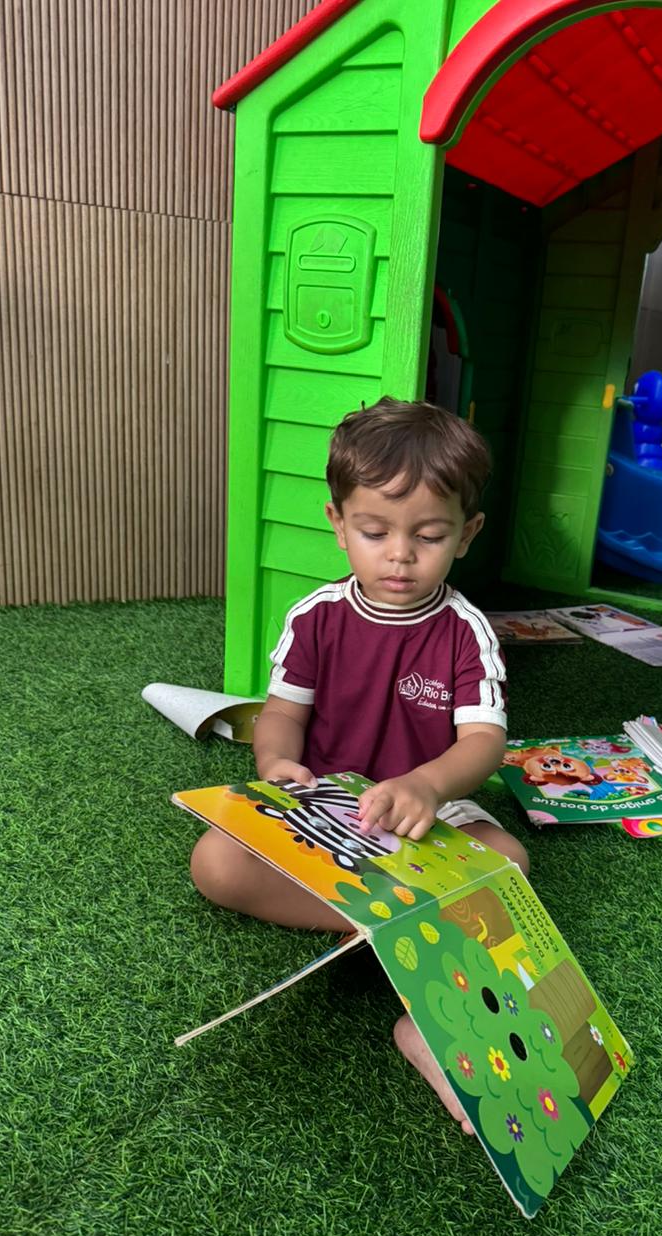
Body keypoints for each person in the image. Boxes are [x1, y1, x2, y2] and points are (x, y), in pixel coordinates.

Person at [190, 397, 529, 1132]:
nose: (400, 554)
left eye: (429, 535)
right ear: (339, 524)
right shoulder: (315, 617)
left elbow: (483, 744)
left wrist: (428, 784)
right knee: (214, 863)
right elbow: (282, 713)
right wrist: (277, 762)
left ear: (467, 534)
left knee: (508, 863)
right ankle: (386, 929)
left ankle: (426, 1023)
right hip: (325, 808)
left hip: (427, 813)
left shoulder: (467, 633)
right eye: (375, 532)